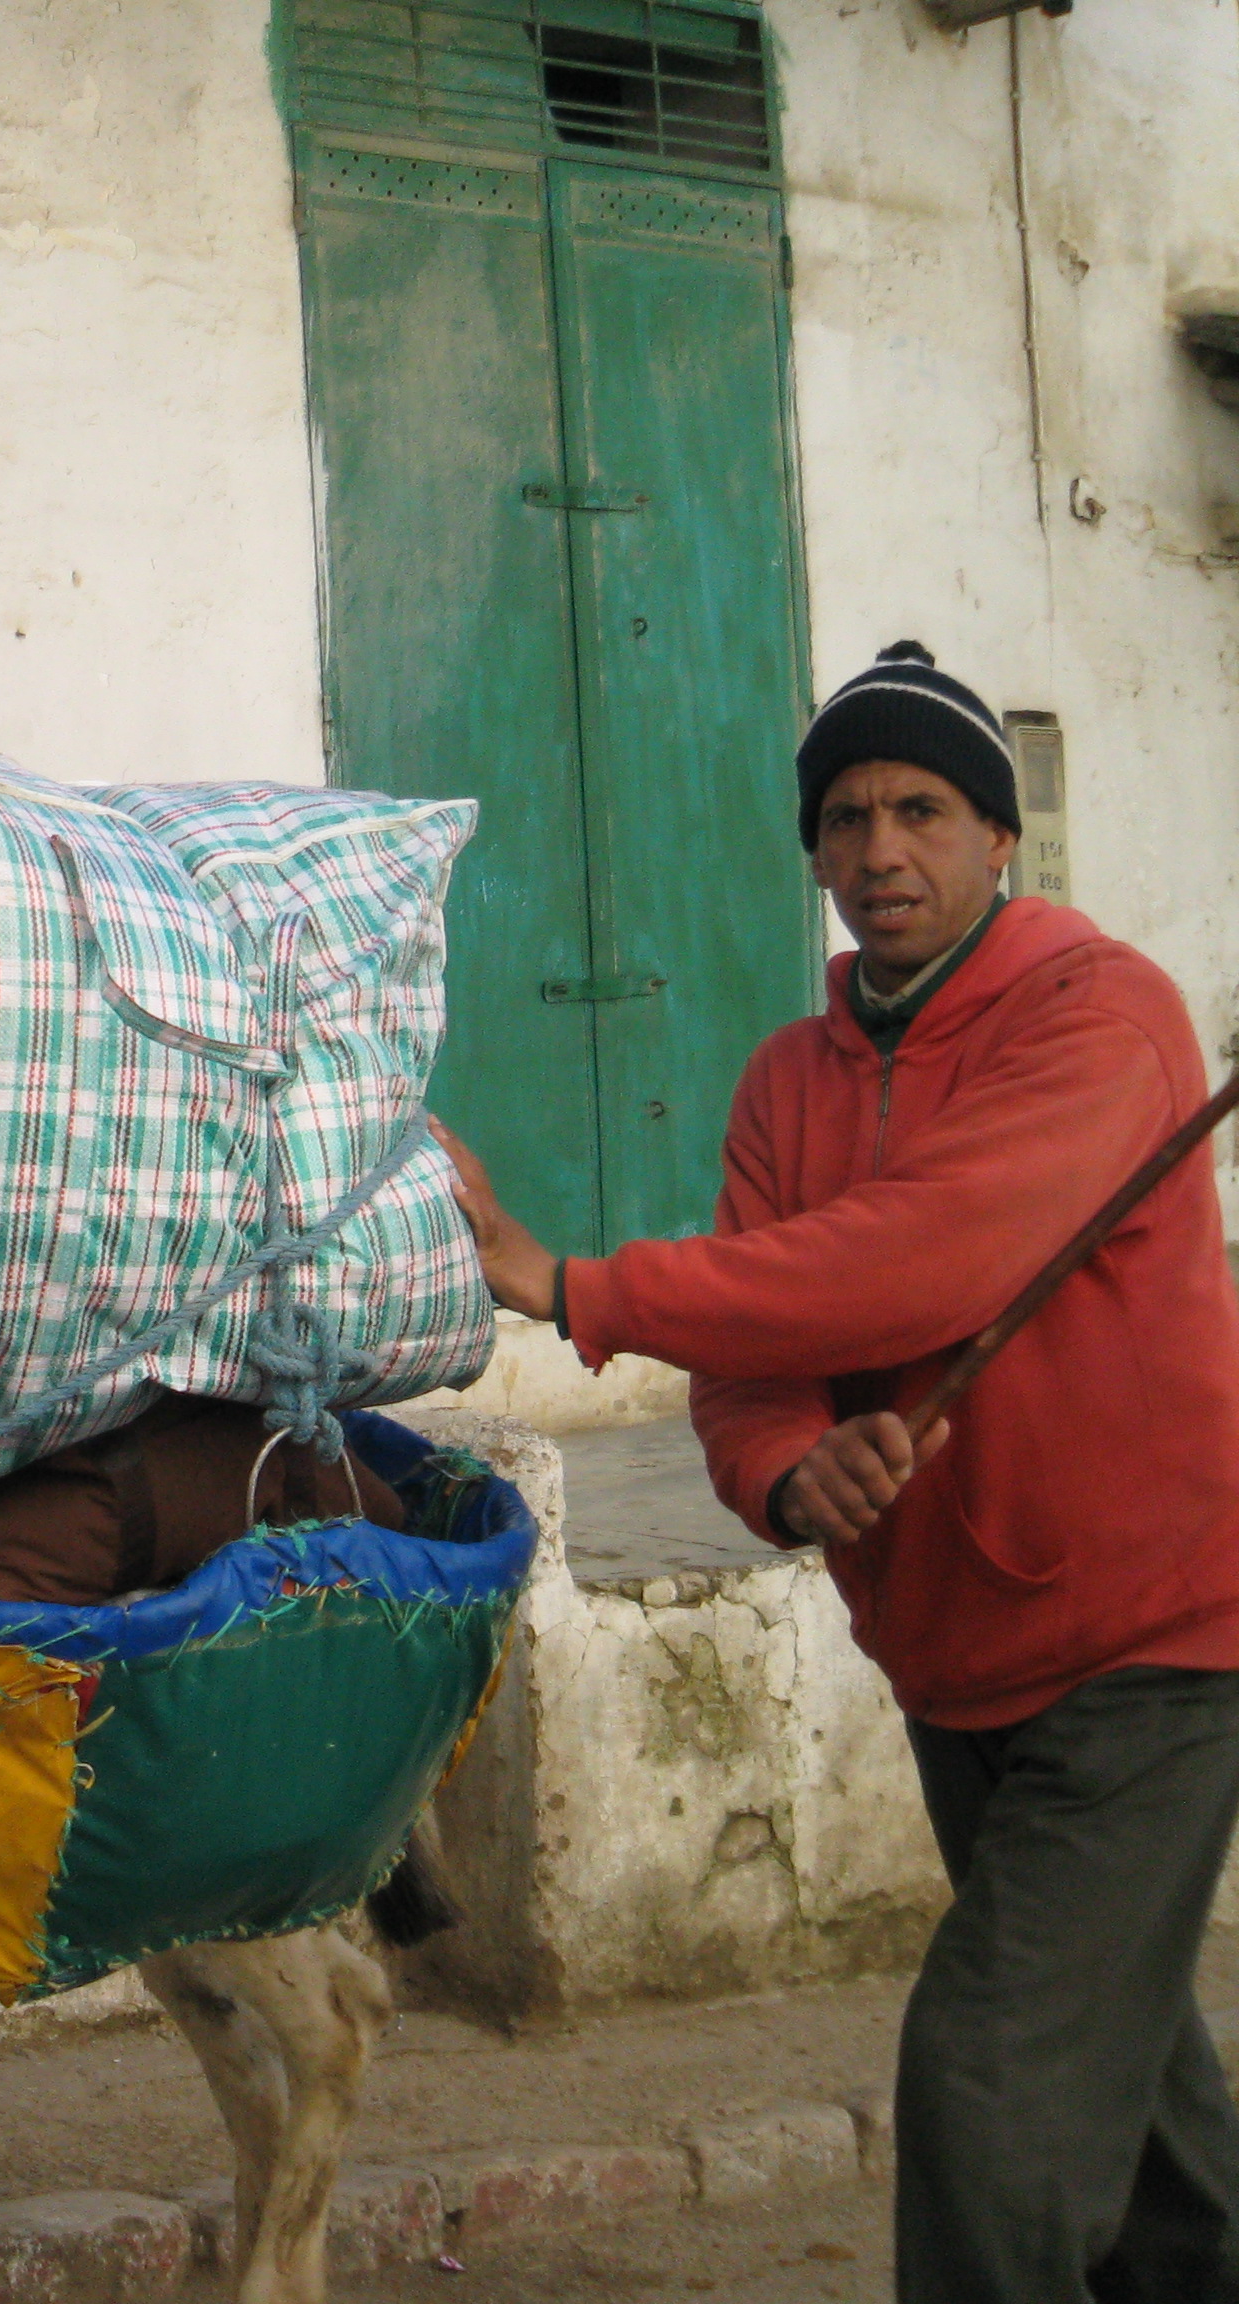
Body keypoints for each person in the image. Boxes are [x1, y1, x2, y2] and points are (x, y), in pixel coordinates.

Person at [436, 640, 1239, 2302]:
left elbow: (921, 1259)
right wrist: (795, 1476)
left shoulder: (1107, 1015)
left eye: (926, 810)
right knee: (1143, 2122)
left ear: (1001, 838)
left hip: (1161, 1643)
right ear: (811, 851)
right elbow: (755, 1369)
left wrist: (576, 1285)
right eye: (849, 817)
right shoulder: (786, 1085)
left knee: (994, 2084)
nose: (884, 851)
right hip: (954, 1659)